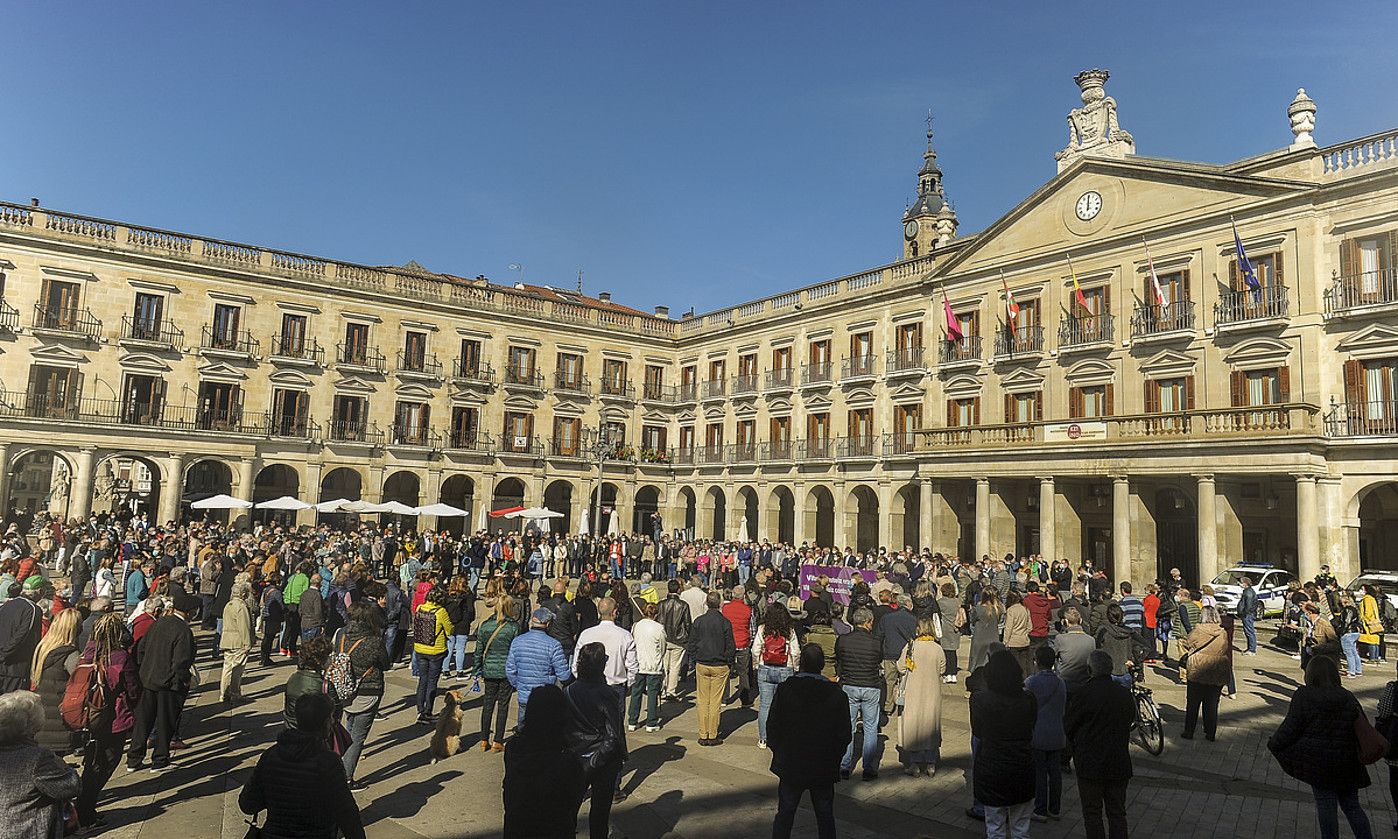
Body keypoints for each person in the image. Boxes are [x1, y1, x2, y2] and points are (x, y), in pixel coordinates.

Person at [1268, 656, 1375, 839]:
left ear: (1310, 674)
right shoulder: (1347, 696)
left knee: (1326, 806)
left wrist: (1274, 743)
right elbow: (1361, 726)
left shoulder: (1304, 696)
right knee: (1352, 806)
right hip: (1347, 762)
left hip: (1320, 763)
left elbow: (1291, 727)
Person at [239, 692, 366, 839]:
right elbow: (347, 814)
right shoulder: (328, 762)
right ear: (324, 722)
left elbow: (247, 804)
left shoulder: (271, 755)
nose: (333, 722)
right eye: (330, 717)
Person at [768, 643, 851, 839]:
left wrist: (779, 751)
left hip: (791, 762)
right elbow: (845, 734)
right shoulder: (837, 695)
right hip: (822, 764)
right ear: (822, 665)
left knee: (785, 814)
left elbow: (772, 726)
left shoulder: (785, 689)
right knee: (825, 816)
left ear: (801, 663)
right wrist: (835, 757)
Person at [74, 612, 139, 831]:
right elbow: (132, 690)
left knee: (92, 763)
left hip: (88, 718)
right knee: (106, 764)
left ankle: (85, 808)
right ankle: (85, 811)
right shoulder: (120, 657)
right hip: (113, 719)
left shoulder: (87, 652)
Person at [1063, 650, 1134, 839]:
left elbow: (1069, 726)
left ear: (1090, 670)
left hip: (1090, 763)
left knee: (1092, 813)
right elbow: (1130, 721)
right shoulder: (1124, 694)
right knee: (1117, 812)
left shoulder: (1083, 694)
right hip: (1118, 761)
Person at [503, 684, 586, 838]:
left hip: (517, 827)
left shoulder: (513, 748)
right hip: (554, 828)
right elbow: (574, 798)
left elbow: (509, 789)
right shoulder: (566, 759)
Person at [970, 650, 1037, 838]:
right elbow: (1032, 726)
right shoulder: (1029, 699)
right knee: (1021, 829)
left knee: (995, 828)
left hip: (992, 769)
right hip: (1022, 767)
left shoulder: (980, 700)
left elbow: (978, 732)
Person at [565, 643, 628, 839]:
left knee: (570, 809)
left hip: (576, 757)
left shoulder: (568, 691)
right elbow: (613, 735)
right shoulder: (607, 693)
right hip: (603, 760)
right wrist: (595, 761)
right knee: (599, 813)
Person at [127, 594, 196, 772]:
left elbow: (141, 649)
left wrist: (145, 668)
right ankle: (160, 760)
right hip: (169, 684)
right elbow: (182, 661)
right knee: (165, 723)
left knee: (143, 721)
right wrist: (184, 679)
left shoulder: (158, 623)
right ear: (190, 612)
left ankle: (133, 759)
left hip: (148, 679)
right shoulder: (183, 631)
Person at [0, 690, 81, 837]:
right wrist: (63, 765)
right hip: (27, 832)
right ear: (33, 724)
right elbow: (71, 786)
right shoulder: (37, 758)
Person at [337, 601, 391, 789]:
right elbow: (386, 664)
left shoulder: (341, 635)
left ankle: (340, 768)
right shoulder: (374, 640)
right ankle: (345, 778)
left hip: (344, 688)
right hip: (369, 690)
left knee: (349, 728)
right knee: (357, 737)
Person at [834, 607, 883, 780]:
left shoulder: (843, 640)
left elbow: (839, 658)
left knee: (849, 726)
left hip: (850, 685)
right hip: (870, 685)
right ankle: (868, 768)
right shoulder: (876, 641)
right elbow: (879, 659)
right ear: (868, 622)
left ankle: (844, 766)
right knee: (870, 728)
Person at [896, 613, 945, 776]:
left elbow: (901, 667)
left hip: (913, 692)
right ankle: (931, 764)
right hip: (932, 692)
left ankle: (915, 764)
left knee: (915, 726)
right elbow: (942, 669)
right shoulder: (938, 649)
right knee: (930, 726)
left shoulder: (911, 646)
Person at [506, 608, 572, 728]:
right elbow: (564, 675)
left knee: (523, 730)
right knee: (544, 732)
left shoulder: (517, 641)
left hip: (525, 695)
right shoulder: (553, 645)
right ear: (548, 624)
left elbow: (510, 670)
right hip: (545, 697)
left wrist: (519, 684)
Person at [30, 607, 81, 757]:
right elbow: (79, 683)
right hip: (59, 718)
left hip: (42, 715)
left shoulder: (43, 648)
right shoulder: (70, 655)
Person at [1024, 644, 1066, 822]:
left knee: (1039, 772)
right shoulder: (1060, 682)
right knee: (1055, 773)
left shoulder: (1031, 682)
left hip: (1038, 733)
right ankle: (1055, 808)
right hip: (1057, 732)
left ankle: (1040, 809)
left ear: (1036, 662)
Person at [687, 590, 735, 746]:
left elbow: (691, 644)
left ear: (706, 603)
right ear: (720, 604)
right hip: (719, 664)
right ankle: (712, 734)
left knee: (703, 701)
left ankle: (703, 733)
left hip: (703, 663)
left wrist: (696, 659)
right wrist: (728, 662)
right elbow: (730, 646)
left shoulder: (699, 621)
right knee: (714, 701)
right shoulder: (725, 622)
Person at [474, 597, 521, 751]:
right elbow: (515, 652)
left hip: (489, 670)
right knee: (503, 705)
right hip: (506, 670)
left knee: (487, 705)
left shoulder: (485, 626)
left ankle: (483, 738)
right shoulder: (513, 627)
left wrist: (477, 670)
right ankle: (498, 740)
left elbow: (478, 651)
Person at [572, 597, 638, 704]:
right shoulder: (625, 635)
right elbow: (632, 666)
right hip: (615, 686)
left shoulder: (586, 634)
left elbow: (576, 664)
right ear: (615, 612)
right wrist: (628, 683)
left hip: (591, 686)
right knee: (614, 719)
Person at [1178, 606, 1230, 741]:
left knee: (1193, 703)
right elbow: (1225, 648)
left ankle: (1189, 731)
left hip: (1198, 668)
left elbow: (1188, 643)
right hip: (1217, 668)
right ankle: (1210, 732)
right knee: (1212, 703)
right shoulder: (1222, 632)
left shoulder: (1198, 630)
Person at [753, 601, 800, 749]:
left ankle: (763, 738)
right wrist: (796, 668)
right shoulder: (789, 631)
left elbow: (755, 649)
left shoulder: (763, 629)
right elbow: (796, 652)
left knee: (765, 705)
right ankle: (782, 736)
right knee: (784, 705)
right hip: (785, 669)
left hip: (765, 667)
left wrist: (756, 664)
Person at [412, 585, 453, 724]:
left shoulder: (420, 608)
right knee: (432, 681)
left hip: (420, 648)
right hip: (436, 650)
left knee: (422, 680)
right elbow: (449, 630)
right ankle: (428, 711)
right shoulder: (441, 612)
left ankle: (420, 710)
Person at [283, 635, 341, 728]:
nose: (330, 659)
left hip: (292, 728)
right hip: (315, 733)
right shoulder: (324, 685)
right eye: (328, 656)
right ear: (319, 660)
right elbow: (336, 711)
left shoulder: (292, 678)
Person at [0, 576, 43, 695]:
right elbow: (23, 634)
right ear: (40, 591)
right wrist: (4, 654)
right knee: (12, 708)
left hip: (5, 664)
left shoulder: (6, 606)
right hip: (16, 667)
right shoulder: (33, 609)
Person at [627, 601, 665, 732]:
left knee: (636, 692)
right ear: (656, 614)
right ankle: (651, 722)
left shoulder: (636, 626)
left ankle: (632, 720)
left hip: (638, 662)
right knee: (653, 693)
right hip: (653, 664)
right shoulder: (659, 628)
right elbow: (662, 646)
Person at [220, 580, 254, 704]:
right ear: (243, 594)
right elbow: (244, 627)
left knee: (227, 668)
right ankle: (235, 693)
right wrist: (247, 643)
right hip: (238, 641)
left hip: (227, 639)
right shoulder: (241, 606)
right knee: (237, 670)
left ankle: (223, 693)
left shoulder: (228, 605)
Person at [721, 586, 755, 708]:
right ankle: (745, 699)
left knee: (726, 671)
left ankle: (724, 698)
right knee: (743, 673)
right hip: (743, 644)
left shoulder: (725, 608)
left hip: (728, 644)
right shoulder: (748, 610)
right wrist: (749, 642)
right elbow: (752, 629)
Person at [656, 580, 691, 699]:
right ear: (678, 590)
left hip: (665, 638)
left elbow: (658, 621)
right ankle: (671, 690)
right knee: (675, 666)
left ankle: (664, 687)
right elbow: (687, 623)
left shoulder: (661, 604)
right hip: (678, 639)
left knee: (665, 664)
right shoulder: (683, 605)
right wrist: (688, 636)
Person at [443, 575, 475, 679]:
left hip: (450, 623)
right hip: (463, 623)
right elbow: (470, 610)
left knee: (449, 648)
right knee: (460, 648)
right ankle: (459, 672)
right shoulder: (468, 594)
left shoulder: (447, 594)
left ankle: (445, 671)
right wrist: (470, 619)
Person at [969, 586, 1004, 672]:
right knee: (992, 666)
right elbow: (1000, 621)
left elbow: (972, 621)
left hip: (979, 639)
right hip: (993, 638)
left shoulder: (978, 608)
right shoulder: (999, 609)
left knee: (977, 665)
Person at [937, 582, 965, 683]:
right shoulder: (957, 601)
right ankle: (953, 674)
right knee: (953, 652)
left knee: (945, 652)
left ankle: (946, 673)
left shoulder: (940, 602)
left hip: (945, 629)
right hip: (956, 628)